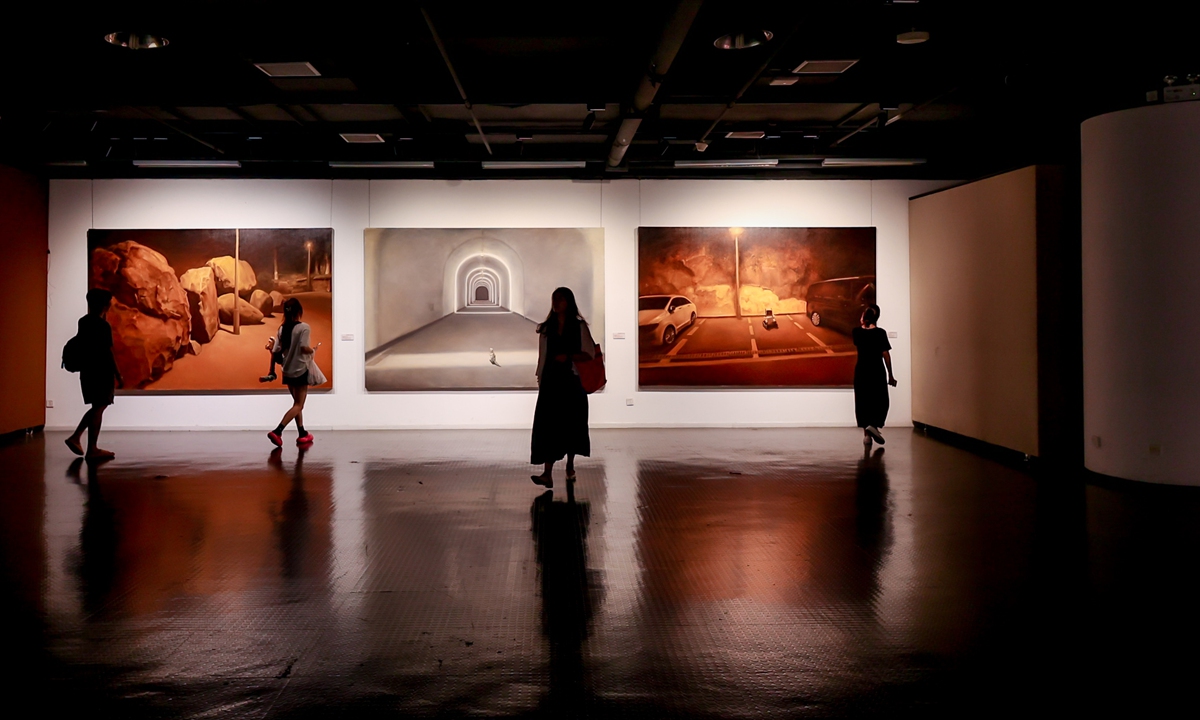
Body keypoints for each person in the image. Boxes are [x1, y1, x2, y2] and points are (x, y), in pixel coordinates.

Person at [530, 287, 596, 488]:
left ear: (569, 301)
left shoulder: (579, 326)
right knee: (549, 425)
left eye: (561, 299)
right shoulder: (546, 328)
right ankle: (547, 473)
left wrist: (568, 356)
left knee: (571, 424)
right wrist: (540, 378)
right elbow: (542, 356)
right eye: (554, 299)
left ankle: (569, 464)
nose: (557, 302)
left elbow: (590, 353)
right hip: (551, 381)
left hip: (571, 382)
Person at [66, 289, 122, 460]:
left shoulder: (83, 322)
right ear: (105, 305)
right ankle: (90, 447)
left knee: (97, 406)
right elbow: (107, 352)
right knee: (99, 407)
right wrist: (117, 374)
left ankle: (79, 439)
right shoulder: (103, 326)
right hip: (101, 371)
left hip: (87, 371)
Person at [266, 298, 317, 448]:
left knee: (296, 404)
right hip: (300, 369)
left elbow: (276, 350)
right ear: (299, 311)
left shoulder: (282, 329)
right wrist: (313, 350)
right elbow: (303, 348)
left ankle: (302, 433)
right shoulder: (304, 328)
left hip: (287, 370)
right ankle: (278, 431)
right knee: (299, 405)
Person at [852, 304, 896, 446]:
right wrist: (891, 375)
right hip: (876, 371)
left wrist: (862, 323)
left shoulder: (856, 333)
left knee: (863, 401)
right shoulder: (880, 333)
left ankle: (867, 435)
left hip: (861, 371)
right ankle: (874, 426)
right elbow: (886, 355)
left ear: (864, 317)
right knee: (880, 400)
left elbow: (860, 337)